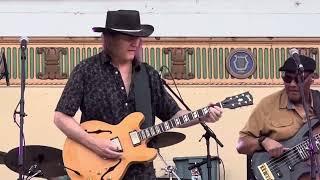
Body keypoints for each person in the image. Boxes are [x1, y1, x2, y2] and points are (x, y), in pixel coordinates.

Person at [54, 10, 223, 180]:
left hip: (142, 173)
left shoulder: (148, 75)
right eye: (128, 37)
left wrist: (202, 115)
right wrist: (95, 143)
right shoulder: (86, 70)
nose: (135, 43)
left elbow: (175, 115)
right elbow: (61, 117)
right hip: (98, 170)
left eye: (138, 38)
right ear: (109, 38)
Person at [236, 55, 320, 180]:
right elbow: (241, 145)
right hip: (277, 172)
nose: (292, 84)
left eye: (298, 79)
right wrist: (263, 141)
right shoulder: (268, 105)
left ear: (312, 79)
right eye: (287, 78)